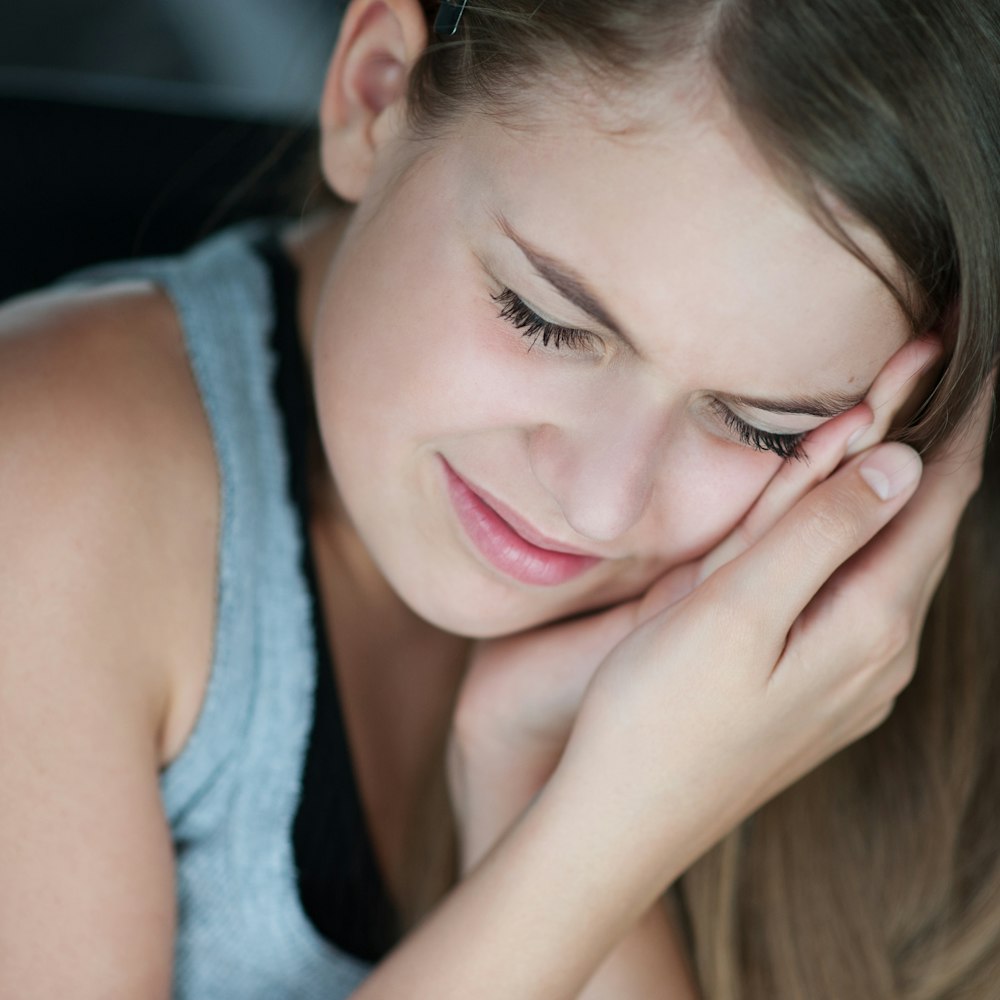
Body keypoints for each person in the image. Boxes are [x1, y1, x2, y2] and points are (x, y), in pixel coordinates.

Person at [1, 0, 997, 996]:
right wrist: (613, 827)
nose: (601, 505)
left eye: (760, 425)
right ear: (375, 96)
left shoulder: (854, 667)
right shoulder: (49, 484)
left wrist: (522, 768)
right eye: (544, 319)